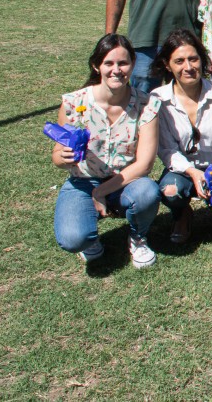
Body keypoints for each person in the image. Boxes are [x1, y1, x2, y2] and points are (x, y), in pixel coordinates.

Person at [51, 34, 161, 268]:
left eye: (123, 63)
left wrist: (101, 191)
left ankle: (138, 237)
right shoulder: (73, 103)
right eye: (108, 63)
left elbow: (144, 165)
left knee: (147, 192)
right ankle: (89, 239)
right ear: (96, 65)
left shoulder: (146, 104)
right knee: (73, 239)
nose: (116, 70)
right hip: (82, 181)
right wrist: (62, 158)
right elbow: (57, 154)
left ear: (132, 64)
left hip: (126, 181)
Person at [150, 29, 212, 249]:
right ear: (167, 65)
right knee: (170, 191)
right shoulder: (158, 99)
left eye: (193, 59)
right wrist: (192, 172)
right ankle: (182, 214)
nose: (188, 67)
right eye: (179, 61)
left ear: (202, 60)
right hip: (184, 171)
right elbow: (167, 149)